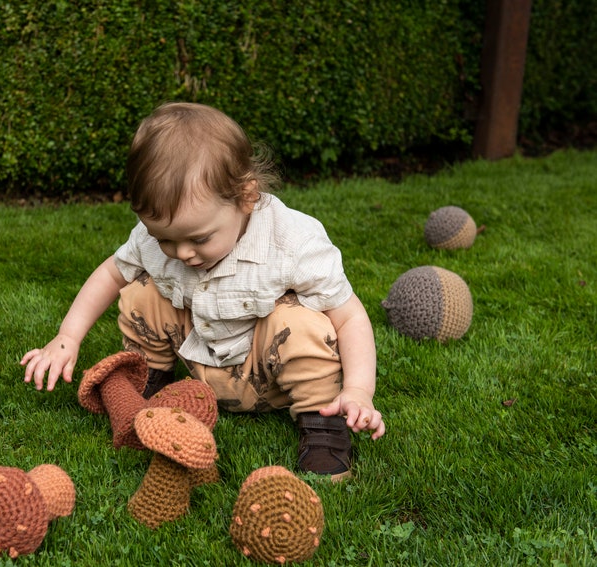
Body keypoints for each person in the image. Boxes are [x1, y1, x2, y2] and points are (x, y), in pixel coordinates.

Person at [21, 102, 385, 479]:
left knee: (303, 323)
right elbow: (112, 273)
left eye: (199, 238)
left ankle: (323, 425)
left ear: (246, 197)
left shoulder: (291, 242)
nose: (182, 253)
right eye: (165, 239)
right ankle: (151, 383)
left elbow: (350, 316)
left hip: (268, 370)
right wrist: (67, 337)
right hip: (198, 356)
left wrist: (359, 390)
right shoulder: (156, 239)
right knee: (141, 291)